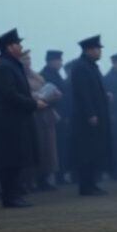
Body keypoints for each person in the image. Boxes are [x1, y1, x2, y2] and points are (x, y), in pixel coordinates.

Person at [0, 28, 46, 208]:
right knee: (11, 160)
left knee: (17, 159)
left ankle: (14, 194)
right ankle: (9, 197)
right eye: (18, 43)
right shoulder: (5, 67)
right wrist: (33, 104)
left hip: (18, 119)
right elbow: (9, 94)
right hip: (11, 121)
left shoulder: (11, 65)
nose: (21, 47)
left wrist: (33, 99)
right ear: (9, 47)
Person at [70, 35, 112, 196]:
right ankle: (86, 186)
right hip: (86, 119)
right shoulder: (80, 67)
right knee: (86, 152)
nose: (99, 52)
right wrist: (90, 114)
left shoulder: (91, 66)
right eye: (97, 49)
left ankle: (92, 184)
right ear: (88, 50)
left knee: (94, 151)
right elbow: (83, 93)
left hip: (96, 115)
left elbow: (93, 90)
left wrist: (104, 95)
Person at [22, 51, 60, 191]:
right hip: (32, 116)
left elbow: (45, 89)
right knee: (35, 148)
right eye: (25, 59)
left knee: (48, 149)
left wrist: (53, 95)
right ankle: (29, 181)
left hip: (45, 115)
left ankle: (43, 179)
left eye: (29, 59)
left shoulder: (37, 76)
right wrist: (35, 97)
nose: (28, 62)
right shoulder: (19, 77)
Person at [40, 50, 69, 185]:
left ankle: (61, 174)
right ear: (50, 61)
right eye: (58, 60)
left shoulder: (56, 75)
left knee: (61, 147)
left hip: (60, 114)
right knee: (51, 147)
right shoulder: (44, 76)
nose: (60, 63)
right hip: (51, 115)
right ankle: (51, 176)